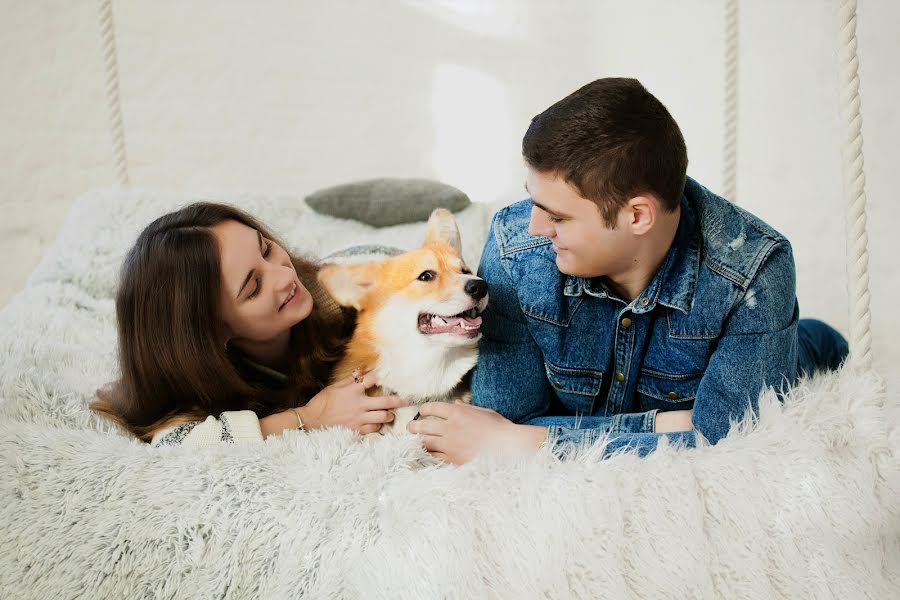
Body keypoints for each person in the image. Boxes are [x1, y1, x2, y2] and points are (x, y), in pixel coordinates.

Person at [407, 77, 849, 463]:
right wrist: (670, 426)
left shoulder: (751, 274)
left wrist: (537, 442)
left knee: (801, 360)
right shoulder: (514, 246)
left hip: (785, 346)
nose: (536, 227)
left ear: (637, 216)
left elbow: (728, 447)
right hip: (671, 403)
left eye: (558, 217)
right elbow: (506, 417)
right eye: (534, 201)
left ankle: (811, 337)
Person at [92, 202, 407, 447]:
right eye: (254, 287)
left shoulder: (339, 300)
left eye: (267, 249)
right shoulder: (193, 382)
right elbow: (176, 442)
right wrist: (309, 417)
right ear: (211, 334)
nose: (285, 276)